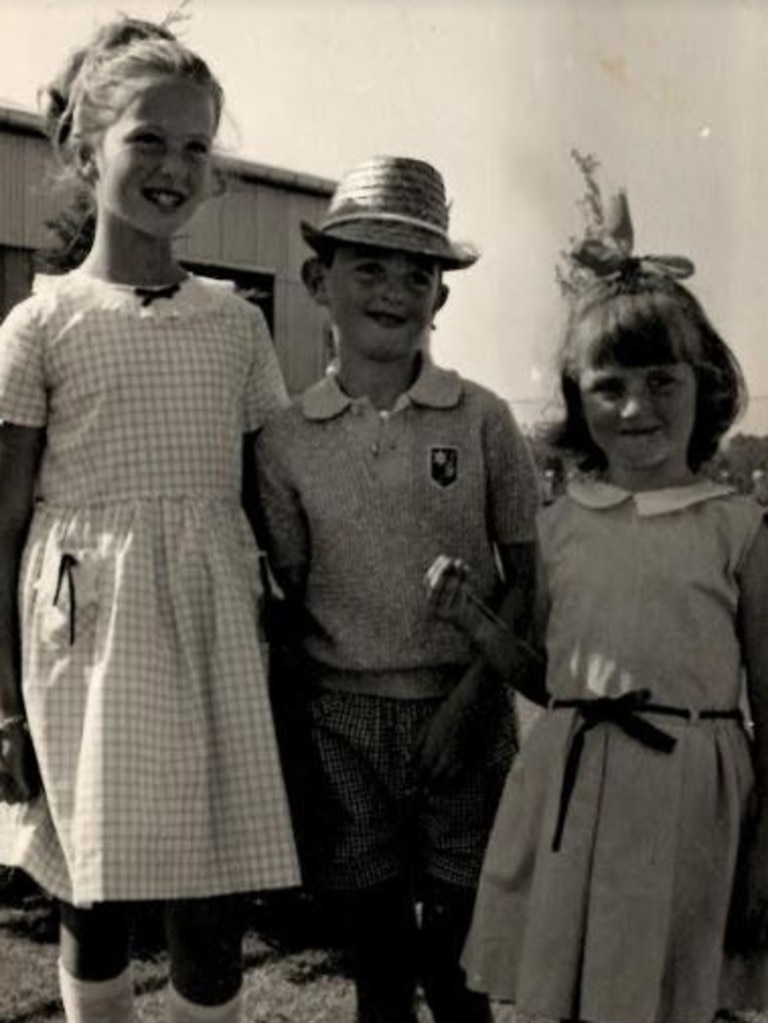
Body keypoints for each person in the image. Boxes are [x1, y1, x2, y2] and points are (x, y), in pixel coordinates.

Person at [0, 17, 299, 1023]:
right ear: (89, 151)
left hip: (210, 620)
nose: (175, 166)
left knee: (211, 907)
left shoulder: (236, 324)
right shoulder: (40, 323)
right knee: (100, 891)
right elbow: (3, 527)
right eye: (149, 139)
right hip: (85, 630)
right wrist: (2, 705)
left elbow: (278, 496)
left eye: (197, 147)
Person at [425, 193, 768, 1023]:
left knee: (681, 994)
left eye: (661, 381)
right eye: (608, 386)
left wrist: (764, 848)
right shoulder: (565, 523)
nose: (636, 407)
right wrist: (478, 622)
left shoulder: (739, 527)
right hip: (576, 795)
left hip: (692, 798)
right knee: (577, 998)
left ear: (706, 384)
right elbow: (553, 678)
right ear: (578, 401)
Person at [254, 154, 539, 1023]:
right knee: (377, 967)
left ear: (441, 297)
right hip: (342, 724)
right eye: (367, 266)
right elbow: (292, 597)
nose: (393, 290)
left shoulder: (483, 417)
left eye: (418, 273)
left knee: (461, 969)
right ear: (317, 280)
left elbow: (527, 575)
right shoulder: (284, 437)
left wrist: (472, 694)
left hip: (467, 714)